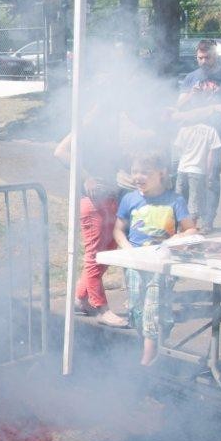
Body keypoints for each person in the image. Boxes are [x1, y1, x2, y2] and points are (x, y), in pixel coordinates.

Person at [114, 152, 198, 366]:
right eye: (134, 172)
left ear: (161, 174)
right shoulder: (129, 199)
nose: (138, 177)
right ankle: (153, 339)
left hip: (161, 263)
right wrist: (127, 250)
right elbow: (118, 230)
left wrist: (179, 237)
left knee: (153, 307)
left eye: (145, 172)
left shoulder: (175, 200)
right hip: (134, 262)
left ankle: (148, 357)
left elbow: (191, 229)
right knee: (136, 308)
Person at [53, 104, 128, 328]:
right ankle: (100, 308)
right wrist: (86, 177)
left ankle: (81, 297)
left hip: (111, 197)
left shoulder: (111, 129)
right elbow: (60, 151)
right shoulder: (84, 127)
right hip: (93, 201)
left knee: (109, 250)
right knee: (95, 255)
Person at [175, 39, 221, 233]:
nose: (203, 61)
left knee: (211, 177)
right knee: (187, 176)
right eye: (200, 58)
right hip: (193, 134)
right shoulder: (191, 78)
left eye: (207, 57)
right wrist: (191, 95)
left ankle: (208, 221)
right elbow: (178, 107)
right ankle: (186, 222)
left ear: (215, 56)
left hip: (216, 134)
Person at [172, 121, 221, 232]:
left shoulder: (184, 129)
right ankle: (190, 229)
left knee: (180, 199)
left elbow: (178, 149)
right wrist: (209, 174)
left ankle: (178, 228)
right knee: (194, 202)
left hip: (182, 169)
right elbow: (211, 155)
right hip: (197, 170)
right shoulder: (211, 130)